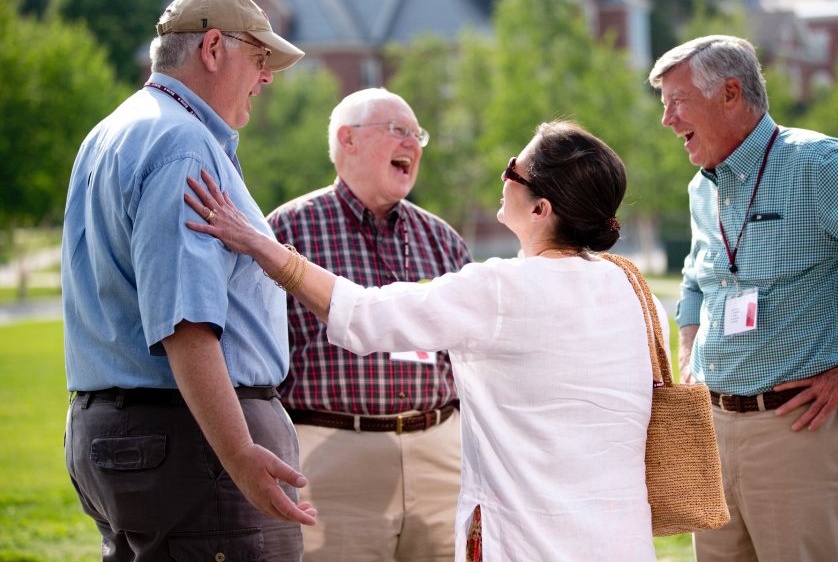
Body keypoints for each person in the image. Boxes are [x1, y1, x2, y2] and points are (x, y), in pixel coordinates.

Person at [185, 119, 668, 561]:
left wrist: (261, 246)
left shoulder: (500, 290)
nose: (503, 179)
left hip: (529, 541)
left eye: (512, 170)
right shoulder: (633, 290)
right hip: (620, 541)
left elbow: (364, 317)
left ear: (541, 208)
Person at [61, 0, 316, 561]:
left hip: (118, 431)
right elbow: (185, 322)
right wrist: (240, 452)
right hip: (193, 443)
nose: (268, 76)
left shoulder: (111, 133)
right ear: (213, 48)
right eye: (260, 57)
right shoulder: (183, 144)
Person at [648, 34, 838, 561]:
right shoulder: (702, 187)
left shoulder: (818, 165)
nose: (667, 120)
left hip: (799, 432)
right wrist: (690, 353)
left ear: (731, 94)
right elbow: (696, 279)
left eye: (677, 100)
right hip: (714, 435)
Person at [264, 87, 472, 561]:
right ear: (347, 140)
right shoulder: (288, 232)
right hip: (331, 453)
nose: (413, 144)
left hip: (440, 450)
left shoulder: (441, 240)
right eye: (397, 130)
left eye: (417, 134)